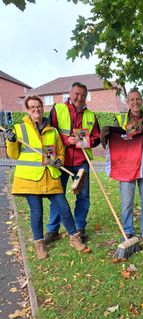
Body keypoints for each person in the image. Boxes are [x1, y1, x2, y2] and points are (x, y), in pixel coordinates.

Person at [4, 95, 86, 259]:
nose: (36, 109)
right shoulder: (19, 129)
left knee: (63, 207)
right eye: (32, 107)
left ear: (43, 108)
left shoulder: (52, 130)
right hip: (29, 178)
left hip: (50, 176)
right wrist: (11, 141)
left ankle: (74, 238)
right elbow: (12, 154)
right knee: (36, 212)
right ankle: (39, 245)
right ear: (28, 110)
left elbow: (59, 152)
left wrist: (58, 160)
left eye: (38, 106)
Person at [101, 88, 143, 244]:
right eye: (132, 100)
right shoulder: (120, 120)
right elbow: (112, 143)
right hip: (126, 167)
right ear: (127, 102)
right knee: (127, 203)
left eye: (138, 99)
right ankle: (128, 231)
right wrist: (104, 137)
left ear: (142, 101)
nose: (135, 102)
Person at [45, 82, 100, 244]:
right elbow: (48, 132)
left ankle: (79, 227)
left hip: (81, 162)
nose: (79, 97)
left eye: (83, 95)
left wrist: (82, 140)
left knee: (83, 196)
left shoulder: (91, 115)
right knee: (56, 196)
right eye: (76, 93)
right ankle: (52, 230)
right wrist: (66, 140)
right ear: (70, 93)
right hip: (60, 161)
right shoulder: (58, 109)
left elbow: (96, 138)